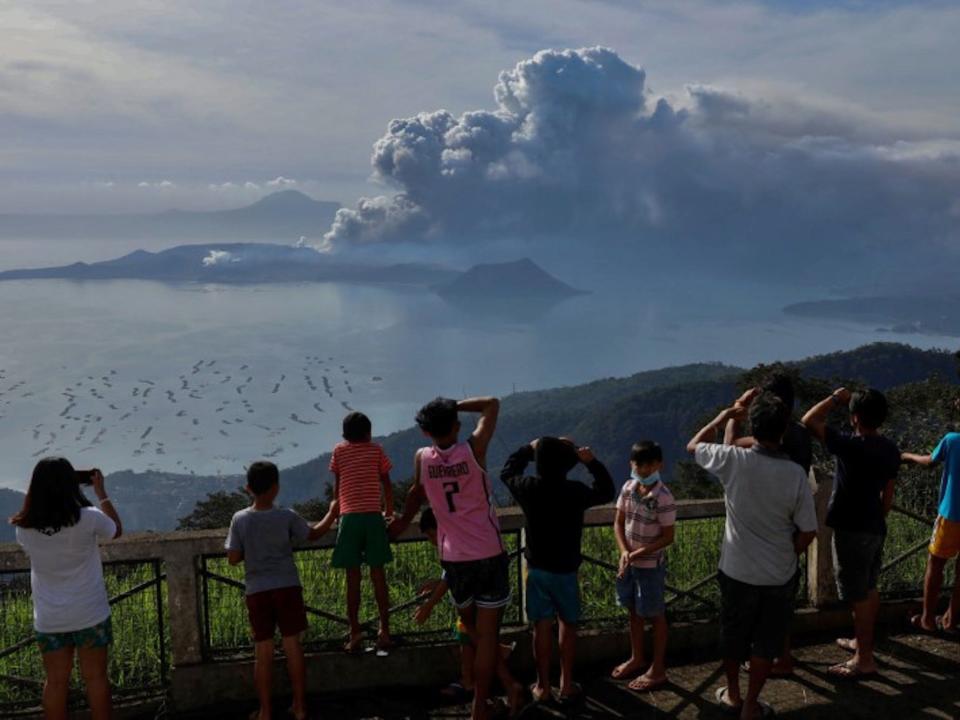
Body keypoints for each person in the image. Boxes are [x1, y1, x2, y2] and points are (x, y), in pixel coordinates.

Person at [689, 391, 817, 720]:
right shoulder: (795, 475)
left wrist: (728, 414)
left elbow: (694, 446)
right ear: (783, 431)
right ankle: (751, 705)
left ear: (753, 427)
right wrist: (787, 553)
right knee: (766, 642)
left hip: (736, 570)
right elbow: (808, 531)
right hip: (778, 575)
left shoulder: (734, 459)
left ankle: (732, 694)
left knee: (733, 637)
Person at [393, 396, 509, 720]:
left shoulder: (422, 458)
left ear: (425, 432)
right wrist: (453, 406)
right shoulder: (473, 450)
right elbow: (492, 404)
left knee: (470, 628)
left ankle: (481, 695)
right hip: (488, 552)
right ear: (456, 426)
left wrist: (402, 523)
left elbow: (416, 495)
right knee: (487, 638)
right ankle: (479, 706)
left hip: (454, 559)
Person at [500, 436, 615, 704]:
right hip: (566, 571)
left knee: (540, 627)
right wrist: (592, 463)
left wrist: (528, 448)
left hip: (537, 570)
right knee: (568, 626)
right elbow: (607, 491)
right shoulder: (576, 491)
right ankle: (565, 684)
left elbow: (508, 472)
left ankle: (541, 686)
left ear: (538, 462)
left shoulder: (529, 487)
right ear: (569, 464)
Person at [226, 461, 339, 720]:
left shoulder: (240, 519)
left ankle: (265, 711)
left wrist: (252, 550)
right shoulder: (286, 516)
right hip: (287, 586)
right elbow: (313, 534)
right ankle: (299, 706)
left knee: (262, 652)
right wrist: (332, 513)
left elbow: (233, 557)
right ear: (276, 488)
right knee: (293, 647)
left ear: (248, 489)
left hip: (257, 590)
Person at [11, 458, 122, 720]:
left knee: (56, 682)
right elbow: (115, 530)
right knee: (96, 679)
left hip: (50, 618)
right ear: (71, 484)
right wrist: (101, 493)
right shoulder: (89, 518)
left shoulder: (23, 529)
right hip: (90, 613)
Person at [803, 387, 900, 679]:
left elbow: (809, 420)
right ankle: (862, 643)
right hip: (875, 526)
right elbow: (888, 496)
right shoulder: (890, 449)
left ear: (855, 418)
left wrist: (834, 399)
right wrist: (876, 516)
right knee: (869, 588)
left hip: (851, 530)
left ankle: (864, 659)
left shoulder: (849, 445)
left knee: (858, 595)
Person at [724, 371, 813, 676]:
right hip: (792, 524)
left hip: (762, 531)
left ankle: (769, 660)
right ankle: (783, 657)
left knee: (756, 611)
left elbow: (731, 444)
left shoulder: (779, 435)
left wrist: (737, 409)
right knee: (781, 605)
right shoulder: (800, 433)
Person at [413, 508, 522, 710]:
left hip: (471, 599)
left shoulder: (451, 544)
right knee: (475, 637)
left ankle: (494, 684)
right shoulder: (463, 535)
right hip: (482, 595)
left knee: (474, 636)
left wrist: (429, 606)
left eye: (430, 535)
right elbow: (447, 576)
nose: (430, 541)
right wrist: (437, 583)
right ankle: (480, 680)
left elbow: (450, 578)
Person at [611, 441, 675, 693]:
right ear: (632, 465)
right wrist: (625, 552)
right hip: (629, 563)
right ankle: (637, 658)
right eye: (639, 464)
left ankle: (658, 669)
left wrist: (638, 552)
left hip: (650, 567)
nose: (645, 469)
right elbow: (618, 522)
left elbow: (668, 537)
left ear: (659, 464)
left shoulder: (664, 496)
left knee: (655, 615)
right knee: (633, 611)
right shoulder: (628, 488)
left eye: (650, 464)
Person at [328, 411, 395, 654]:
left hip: (348, 519)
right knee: (379, 577)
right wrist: (389, 511)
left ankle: (355, 632)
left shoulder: (339, 451)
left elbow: (337, 484)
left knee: (352, 580)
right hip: (373, 518)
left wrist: (336, 512)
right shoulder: (376, 450)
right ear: (368, 432)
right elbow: (386, 482)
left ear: (344, 434)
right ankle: (384, 631)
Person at [901, 401, 960, 636]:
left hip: (951, 514)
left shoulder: (952, 440)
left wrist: (906, 455)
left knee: (935, 564)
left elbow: (929, 462)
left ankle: (927, 619)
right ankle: (951, 620)